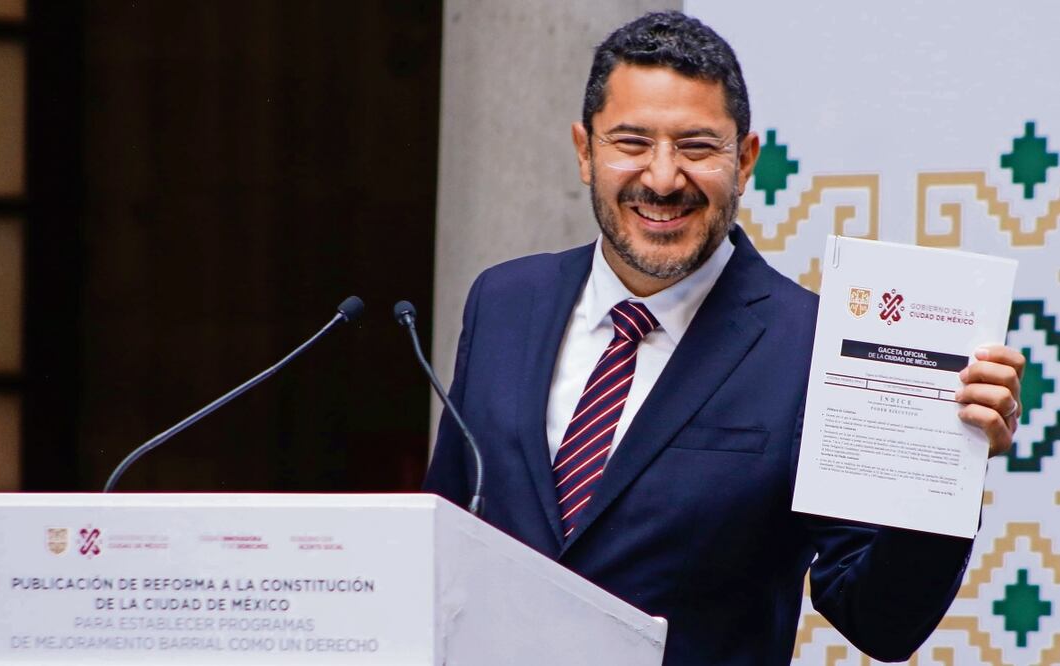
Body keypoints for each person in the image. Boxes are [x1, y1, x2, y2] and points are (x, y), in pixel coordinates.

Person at [423, 11, 1024, 665]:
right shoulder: (503, 302)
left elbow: (877, 622)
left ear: (744, 159)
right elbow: (443, 538)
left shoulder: (813, 345)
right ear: (583, 151)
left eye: (696, 146)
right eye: (630, 142)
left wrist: (947, 471)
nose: (660, 177)